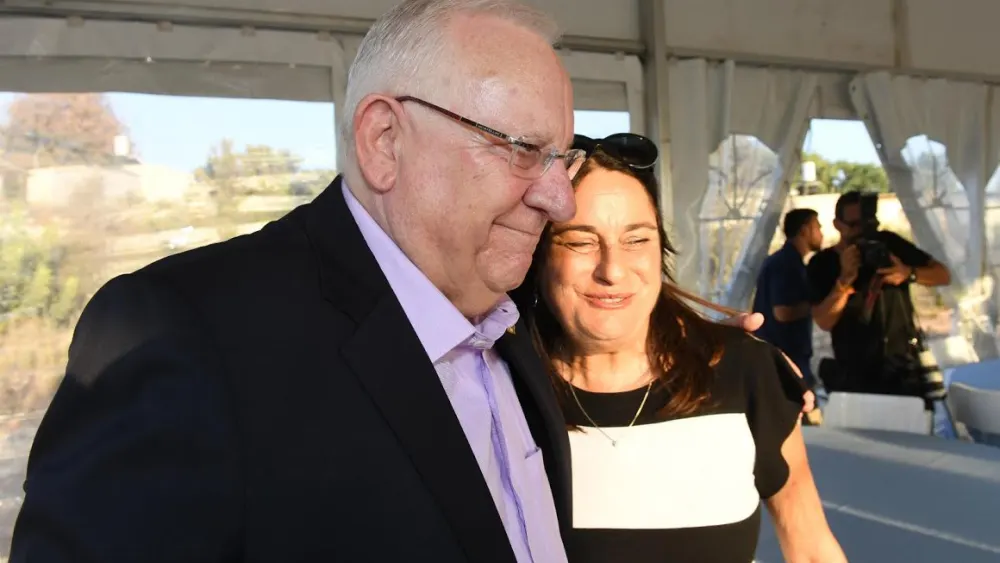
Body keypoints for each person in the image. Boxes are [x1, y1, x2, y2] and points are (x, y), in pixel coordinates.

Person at [9, 2, 765, 562]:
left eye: (560, 157)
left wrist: (732, 356)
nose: (560, 198)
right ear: (383, 141)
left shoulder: (503, 321)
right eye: (521, 149)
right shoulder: (187, 333)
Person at [513, 134, 846, 563]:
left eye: (637, 240)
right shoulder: (504, 389)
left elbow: (812, 548)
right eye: (580, 240)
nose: (612, 269)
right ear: (540, 258)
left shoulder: (744, 371)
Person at [807, 190, 951, 399]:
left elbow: (943, 275)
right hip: (855, 371)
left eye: (869, 224)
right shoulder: (823, 263)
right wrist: (844, 280)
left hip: (902, 366)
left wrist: (908, 273)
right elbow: (824, 321)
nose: (863, 232)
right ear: (837, 224)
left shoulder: (890, 245)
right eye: (854, 225)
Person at [753, 208, 823, 389]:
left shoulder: (787, 262)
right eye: (817, 227)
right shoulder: (786, 264)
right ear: (804, 230)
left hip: (784, 356)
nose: (821, 232)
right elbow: (782, 312)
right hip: (785, 358)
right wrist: (818, 306)